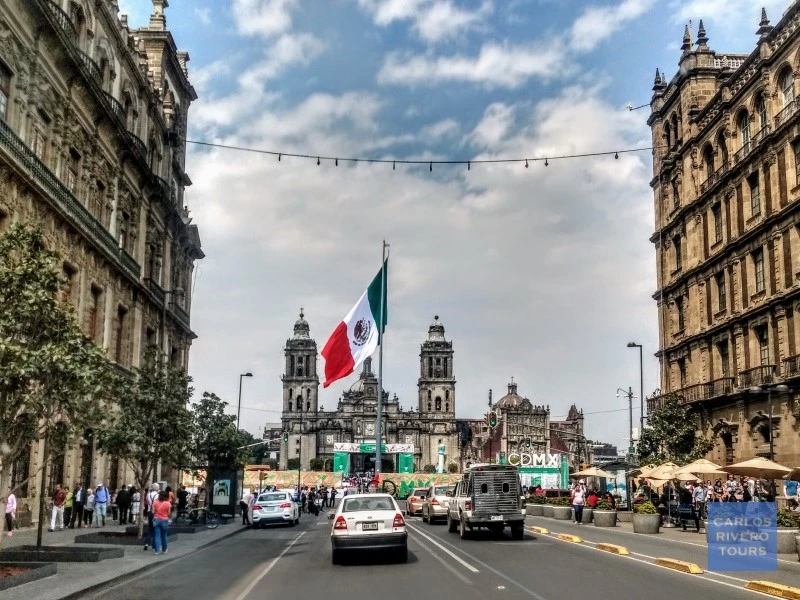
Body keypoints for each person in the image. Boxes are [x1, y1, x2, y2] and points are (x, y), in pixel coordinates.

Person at [151, 490, 172, 555]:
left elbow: (152, 512)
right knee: (164, 535)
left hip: (156, 520)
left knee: (157, 535)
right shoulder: (168, 503)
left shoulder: (155, 502)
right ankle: (164, 549)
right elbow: (168, 513)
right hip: (164, 520)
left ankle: (157, 550)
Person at [144, 483, 160, 552]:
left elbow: (147, 503)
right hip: (155, 513)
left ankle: (147, 543)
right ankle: (154, 546)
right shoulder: (158, 495)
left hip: (149, 512)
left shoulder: (148, 495)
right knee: (156, 529)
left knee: (150, 528)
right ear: (157, 488)